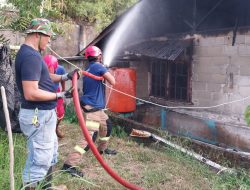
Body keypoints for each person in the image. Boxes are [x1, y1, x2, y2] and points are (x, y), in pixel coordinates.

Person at [15, 18, 78, 190]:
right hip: (38, 115)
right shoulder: (30, 57)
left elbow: (44, 77)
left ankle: (47, 187)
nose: (50, 40)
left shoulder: (32, 54)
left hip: (43, 115)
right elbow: (31, 92)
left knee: (49, 154)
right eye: (48, 36)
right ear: (38, 34)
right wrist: (60, 94)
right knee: (39, 161)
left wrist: (66, 77)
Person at [61, 45, 117, 177]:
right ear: (99, 56)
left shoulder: (90, 68)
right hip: (92, 109)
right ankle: (69, 165)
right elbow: (113, 81)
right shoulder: (98, 67)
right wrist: (106, 69)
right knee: (89, 137)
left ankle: (102, 149)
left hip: (96, 107)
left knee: (107, 126)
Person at [43, 54, 66, 138]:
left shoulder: (60, 69)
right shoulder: (40, 69)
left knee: (60, 113)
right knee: (47, 113)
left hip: (57, 92)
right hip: (45, 92)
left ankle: (56, 128)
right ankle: (49, 131)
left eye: (51, 69)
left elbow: (63, 78)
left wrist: (63, 89)